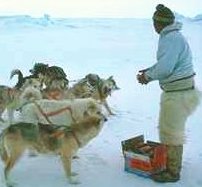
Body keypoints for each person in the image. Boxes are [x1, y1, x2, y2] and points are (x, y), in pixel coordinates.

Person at [136, 4, 201, 183]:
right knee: (172, 130)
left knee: (170, 132)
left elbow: (165, 68)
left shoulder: (170, 38)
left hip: (178, 94)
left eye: (154, 22)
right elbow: (168, 63)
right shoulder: (174, 36)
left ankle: (172, 172)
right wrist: (150, 69)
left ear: (159, 23)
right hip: (183, 91)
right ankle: (173, 162)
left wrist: (147, 77)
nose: (153, 26)